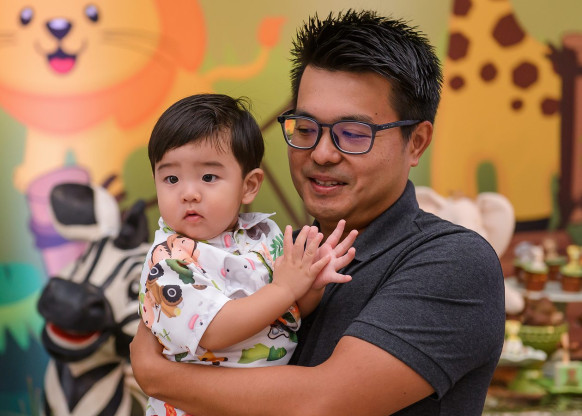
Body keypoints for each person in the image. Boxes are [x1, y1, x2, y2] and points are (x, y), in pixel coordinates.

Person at [130, 10, 506, 415]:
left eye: (354, 134)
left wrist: (157, 375)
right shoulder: (276, 253)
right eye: (306, 129)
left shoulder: (454, 263)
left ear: (416, 142)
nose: (322, 153)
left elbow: (319, 403)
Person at [139, 93, 357, 416]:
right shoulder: (168, 261)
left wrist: (310, 284)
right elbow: (213, 331)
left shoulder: (263, 236)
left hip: (265, 401)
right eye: (171, 178)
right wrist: (284, 288)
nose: (189, 193)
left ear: (249, 186)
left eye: (208, 177)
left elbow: (289, 313)